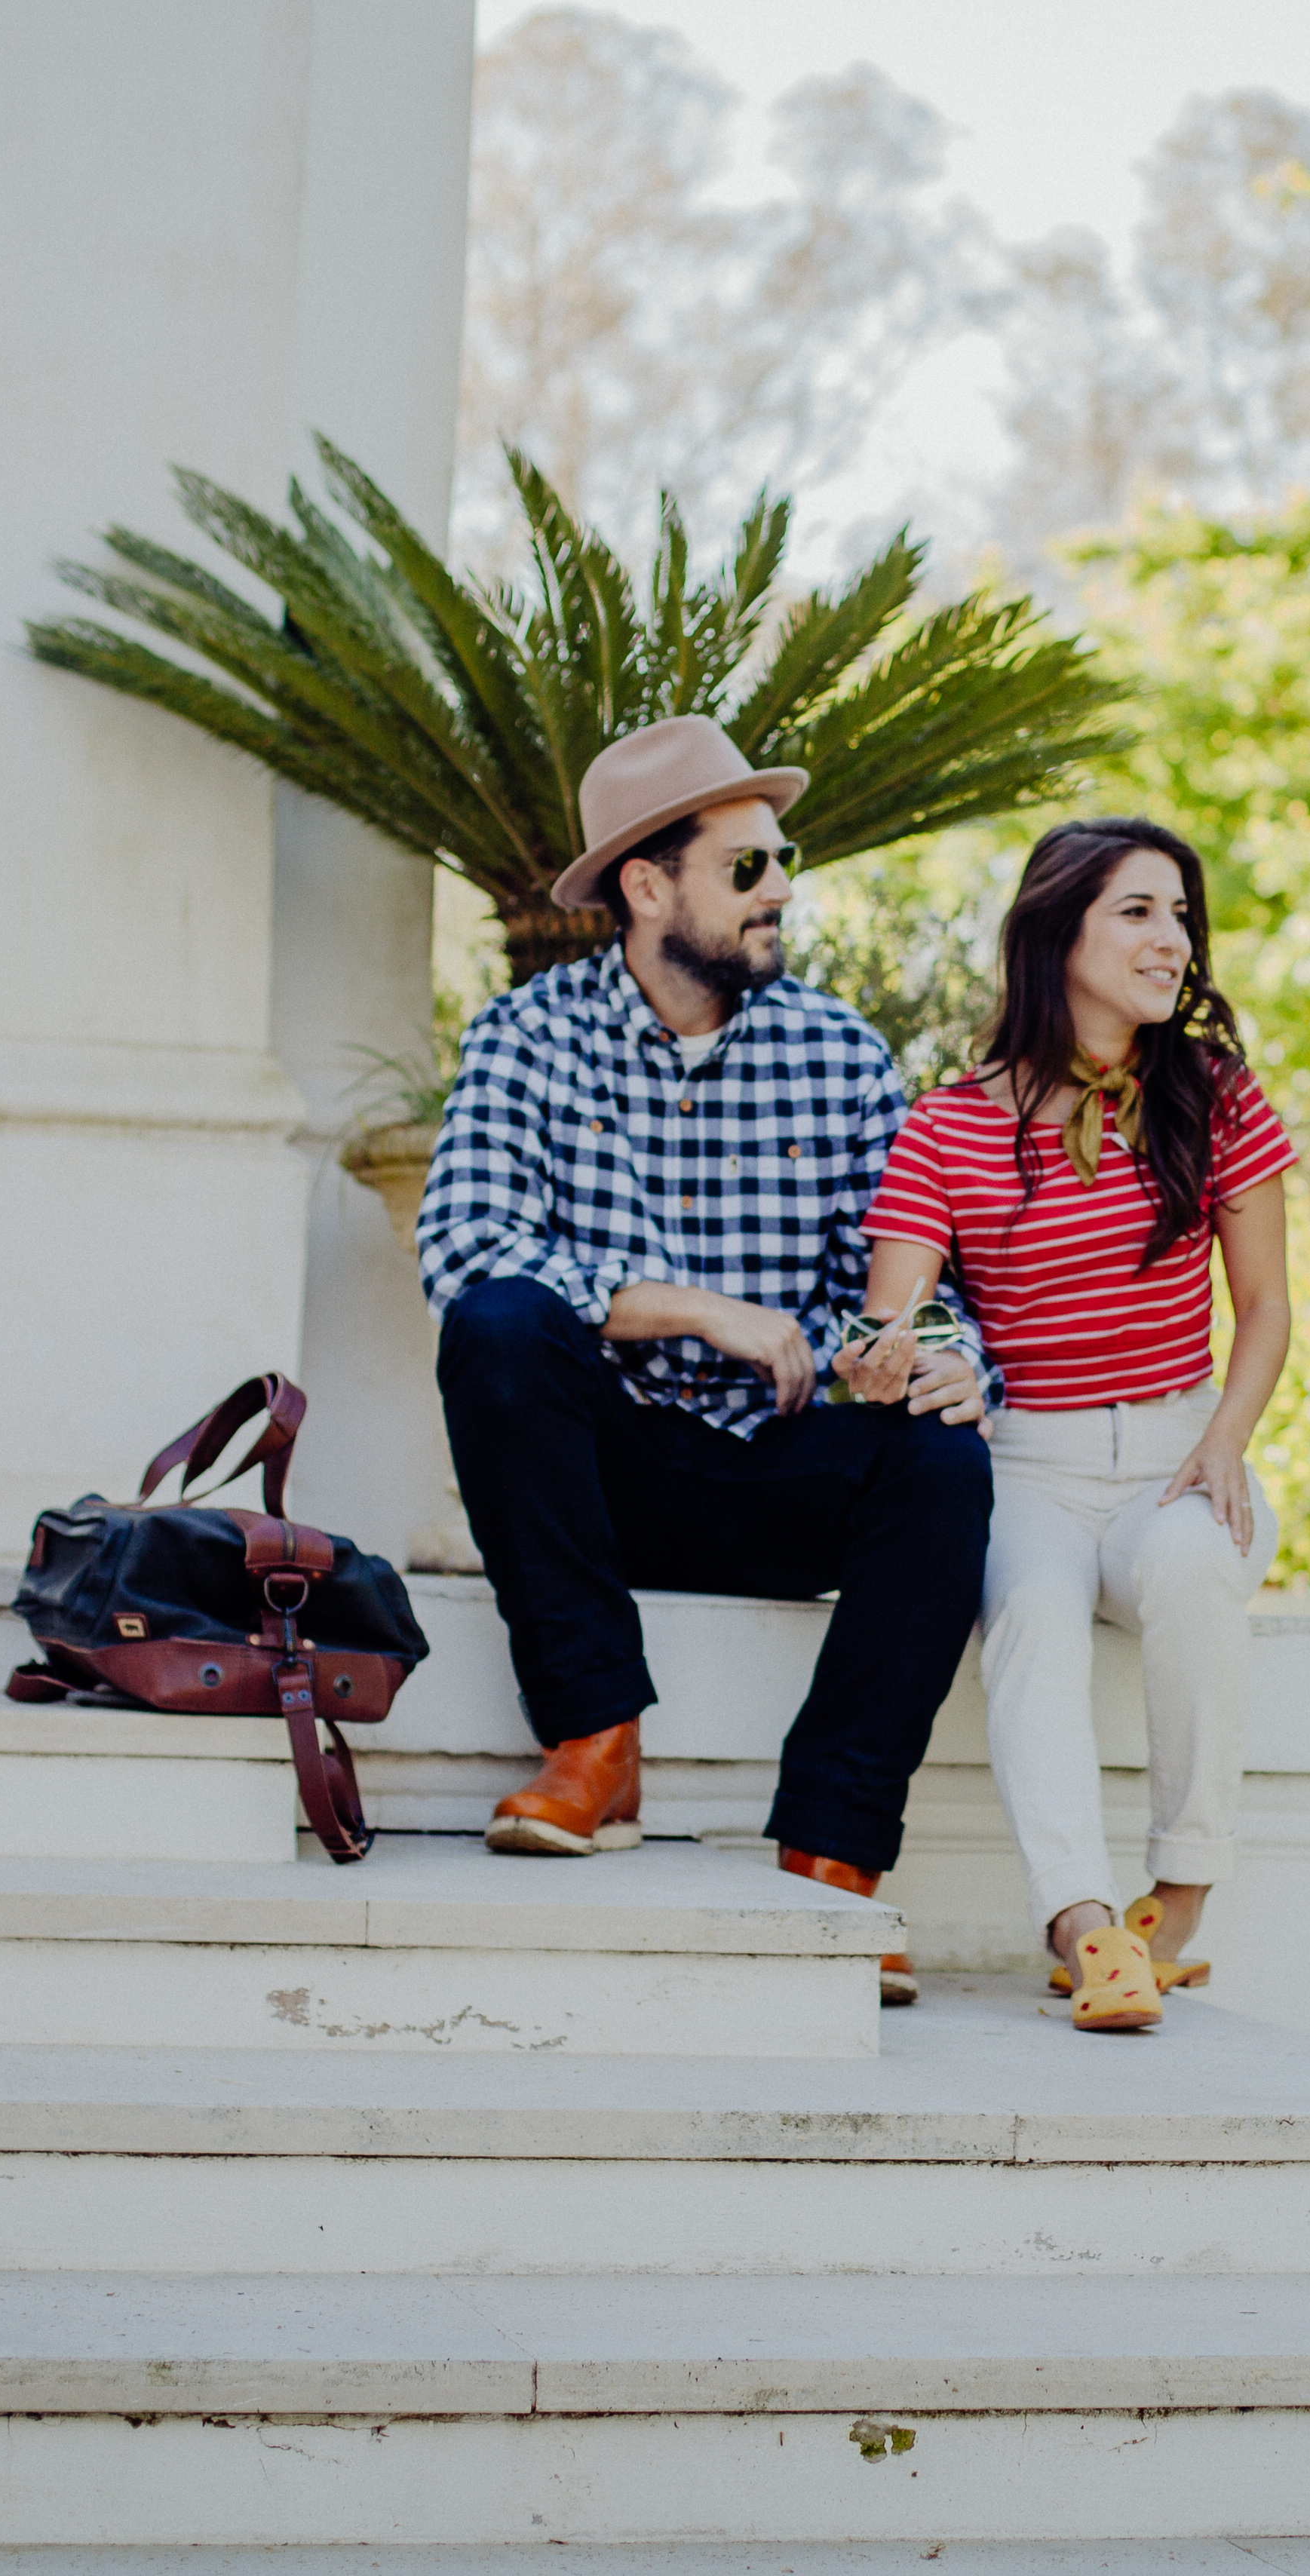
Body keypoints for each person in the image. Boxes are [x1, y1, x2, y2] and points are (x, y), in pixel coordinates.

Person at [418, 716, 991, 2007]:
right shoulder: (527, 1036)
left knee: (941, 1463)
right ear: (647, 885)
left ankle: (832, 1868)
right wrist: (687, 1307)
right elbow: (464, 1247)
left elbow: (888, 1294)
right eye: (749, 867)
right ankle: (594, 1745)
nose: (782, 888)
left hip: (771, 1472)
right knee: (499, 1325)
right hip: (598, 1480)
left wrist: (930, 1362)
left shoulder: (839, 1054)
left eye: (786, 861)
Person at [845, 817, 1293, 2034]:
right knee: (1033, 1621)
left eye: (1181, 913)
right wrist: (895, 1357)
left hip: (1179, 1443)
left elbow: (1265, 1309)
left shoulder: (1217, 1094)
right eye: (1139, 912)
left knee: (1198, 1570)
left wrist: (1224, 1440)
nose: (1173, 939)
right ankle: (1087, 1934)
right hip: (1029, 1465)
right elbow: (905, 1313)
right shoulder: (947, 1126)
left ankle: (1181, 1902)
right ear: (1059, 936)